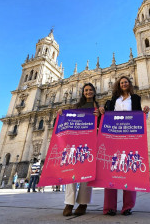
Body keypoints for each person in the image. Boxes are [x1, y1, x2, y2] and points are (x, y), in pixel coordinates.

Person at [100, 76, 150, 216]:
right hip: (113, 137)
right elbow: (105, 117)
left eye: (126, 82)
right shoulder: (111, 101)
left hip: (130, 137)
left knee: (130, 169)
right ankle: (109, 207)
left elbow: (139, 116)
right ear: (118, 85)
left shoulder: (135, 99)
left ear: (129, 84)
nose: (123, 84)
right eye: (121, 82)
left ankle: (127, 206)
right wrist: (103, 111)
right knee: (110, 171)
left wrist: (145, 112)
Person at [57, 83, 102, 216]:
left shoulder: (98, 106)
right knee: (71, 173)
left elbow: (102, 124)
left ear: (94, 92)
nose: (88, 92)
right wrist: (61, 114)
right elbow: (68, 121)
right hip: (75, 142)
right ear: (83, 92)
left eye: (90, 90)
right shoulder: (76, 107)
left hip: (91, 143)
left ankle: (83, 204)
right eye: (86, 90)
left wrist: (99, 116)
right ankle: (69, 204)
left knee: (86, 175)